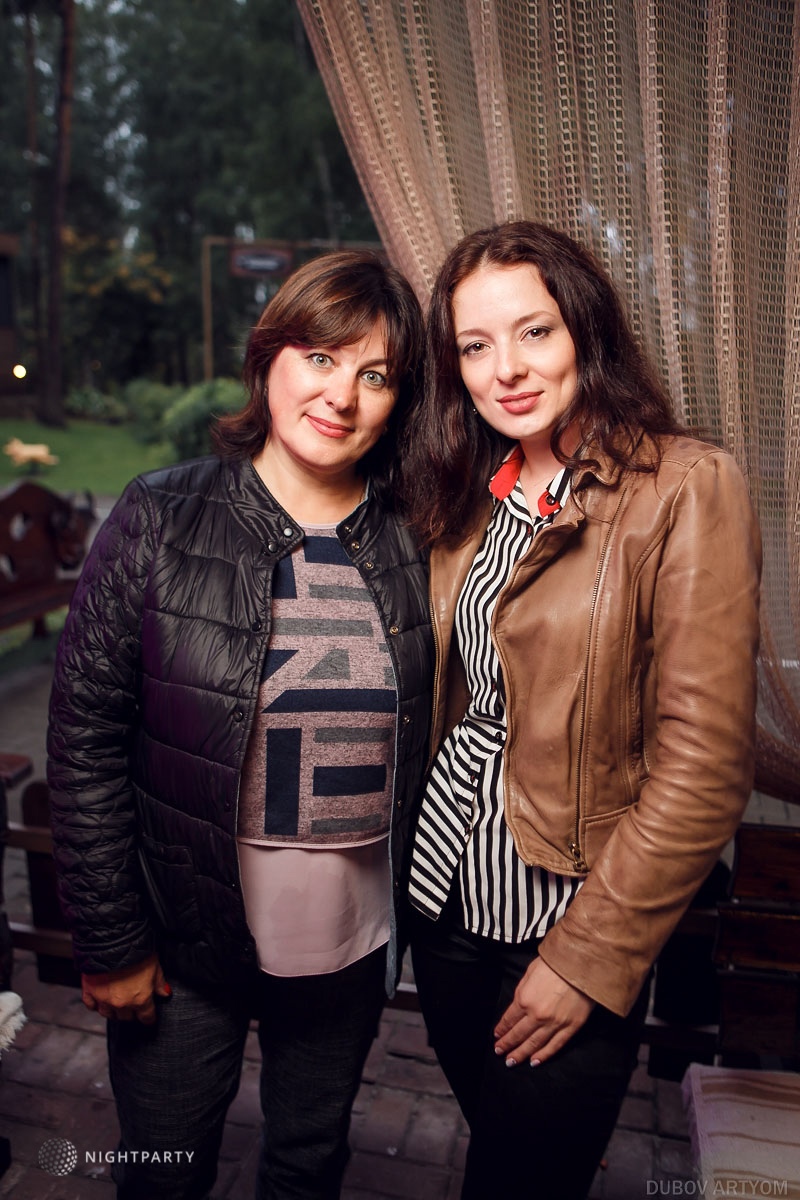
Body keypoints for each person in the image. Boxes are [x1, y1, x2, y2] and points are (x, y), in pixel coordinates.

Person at [47, 250, 433, 1200]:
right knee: (165, 1173)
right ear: (269, 360)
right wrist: (112, 940)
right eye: (320, 356)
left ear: (397, 402)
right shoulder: (159, 516)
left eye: (375, 374)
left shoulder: (416, 539)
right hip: (183, 940)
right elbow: (85, 740)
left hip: (348, 943)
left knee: (308, 1166)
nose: (340, 394)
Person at [401, 220, 761, 1200]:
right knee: (508, 1156)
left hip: (567, 918)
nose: (505, 370)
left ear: (585, 330)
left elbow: (704, 764)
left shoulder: (684, 487)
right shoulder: (465, 492)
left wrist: (588, 959)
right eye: (475, 346)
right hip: (442, 903)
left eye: (534, 332)